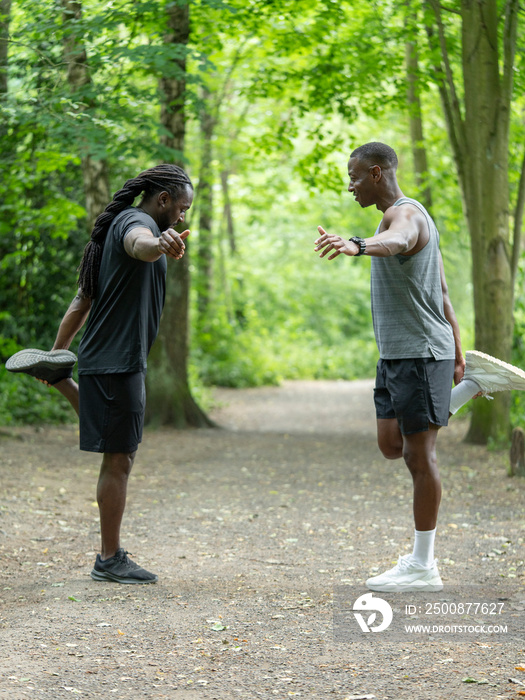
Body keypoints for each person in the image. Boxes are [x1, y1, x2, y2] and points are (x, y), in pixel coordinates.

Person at [314, 142, 525, 592]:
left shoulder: (405, 215)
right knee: (391, 445)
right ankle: (471, 384)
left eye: (353, 177)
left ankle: (423, 565)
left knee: (418, 455)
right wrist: (460, 346)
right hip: (398, 352)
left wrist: (356, 245)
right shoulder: (391, 216)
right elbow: (442, 288)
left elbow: (399, 242)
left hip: (420, 352)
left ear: (376, 173)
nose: (350, 186)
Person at [6, 164, 194, 584]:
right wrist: (158, 244)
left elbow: (82, 298)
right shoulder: (137, 223)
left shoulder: (119, 228)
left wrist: (58, 352)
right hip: (118, 360)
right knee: (120, 457)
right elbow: (140, 245)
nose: (182, 218)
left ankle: (58, 377)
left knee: (116, 441)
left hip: (104, 356)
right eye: (180, 209)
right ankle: (109, 558)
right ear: (163, 200)